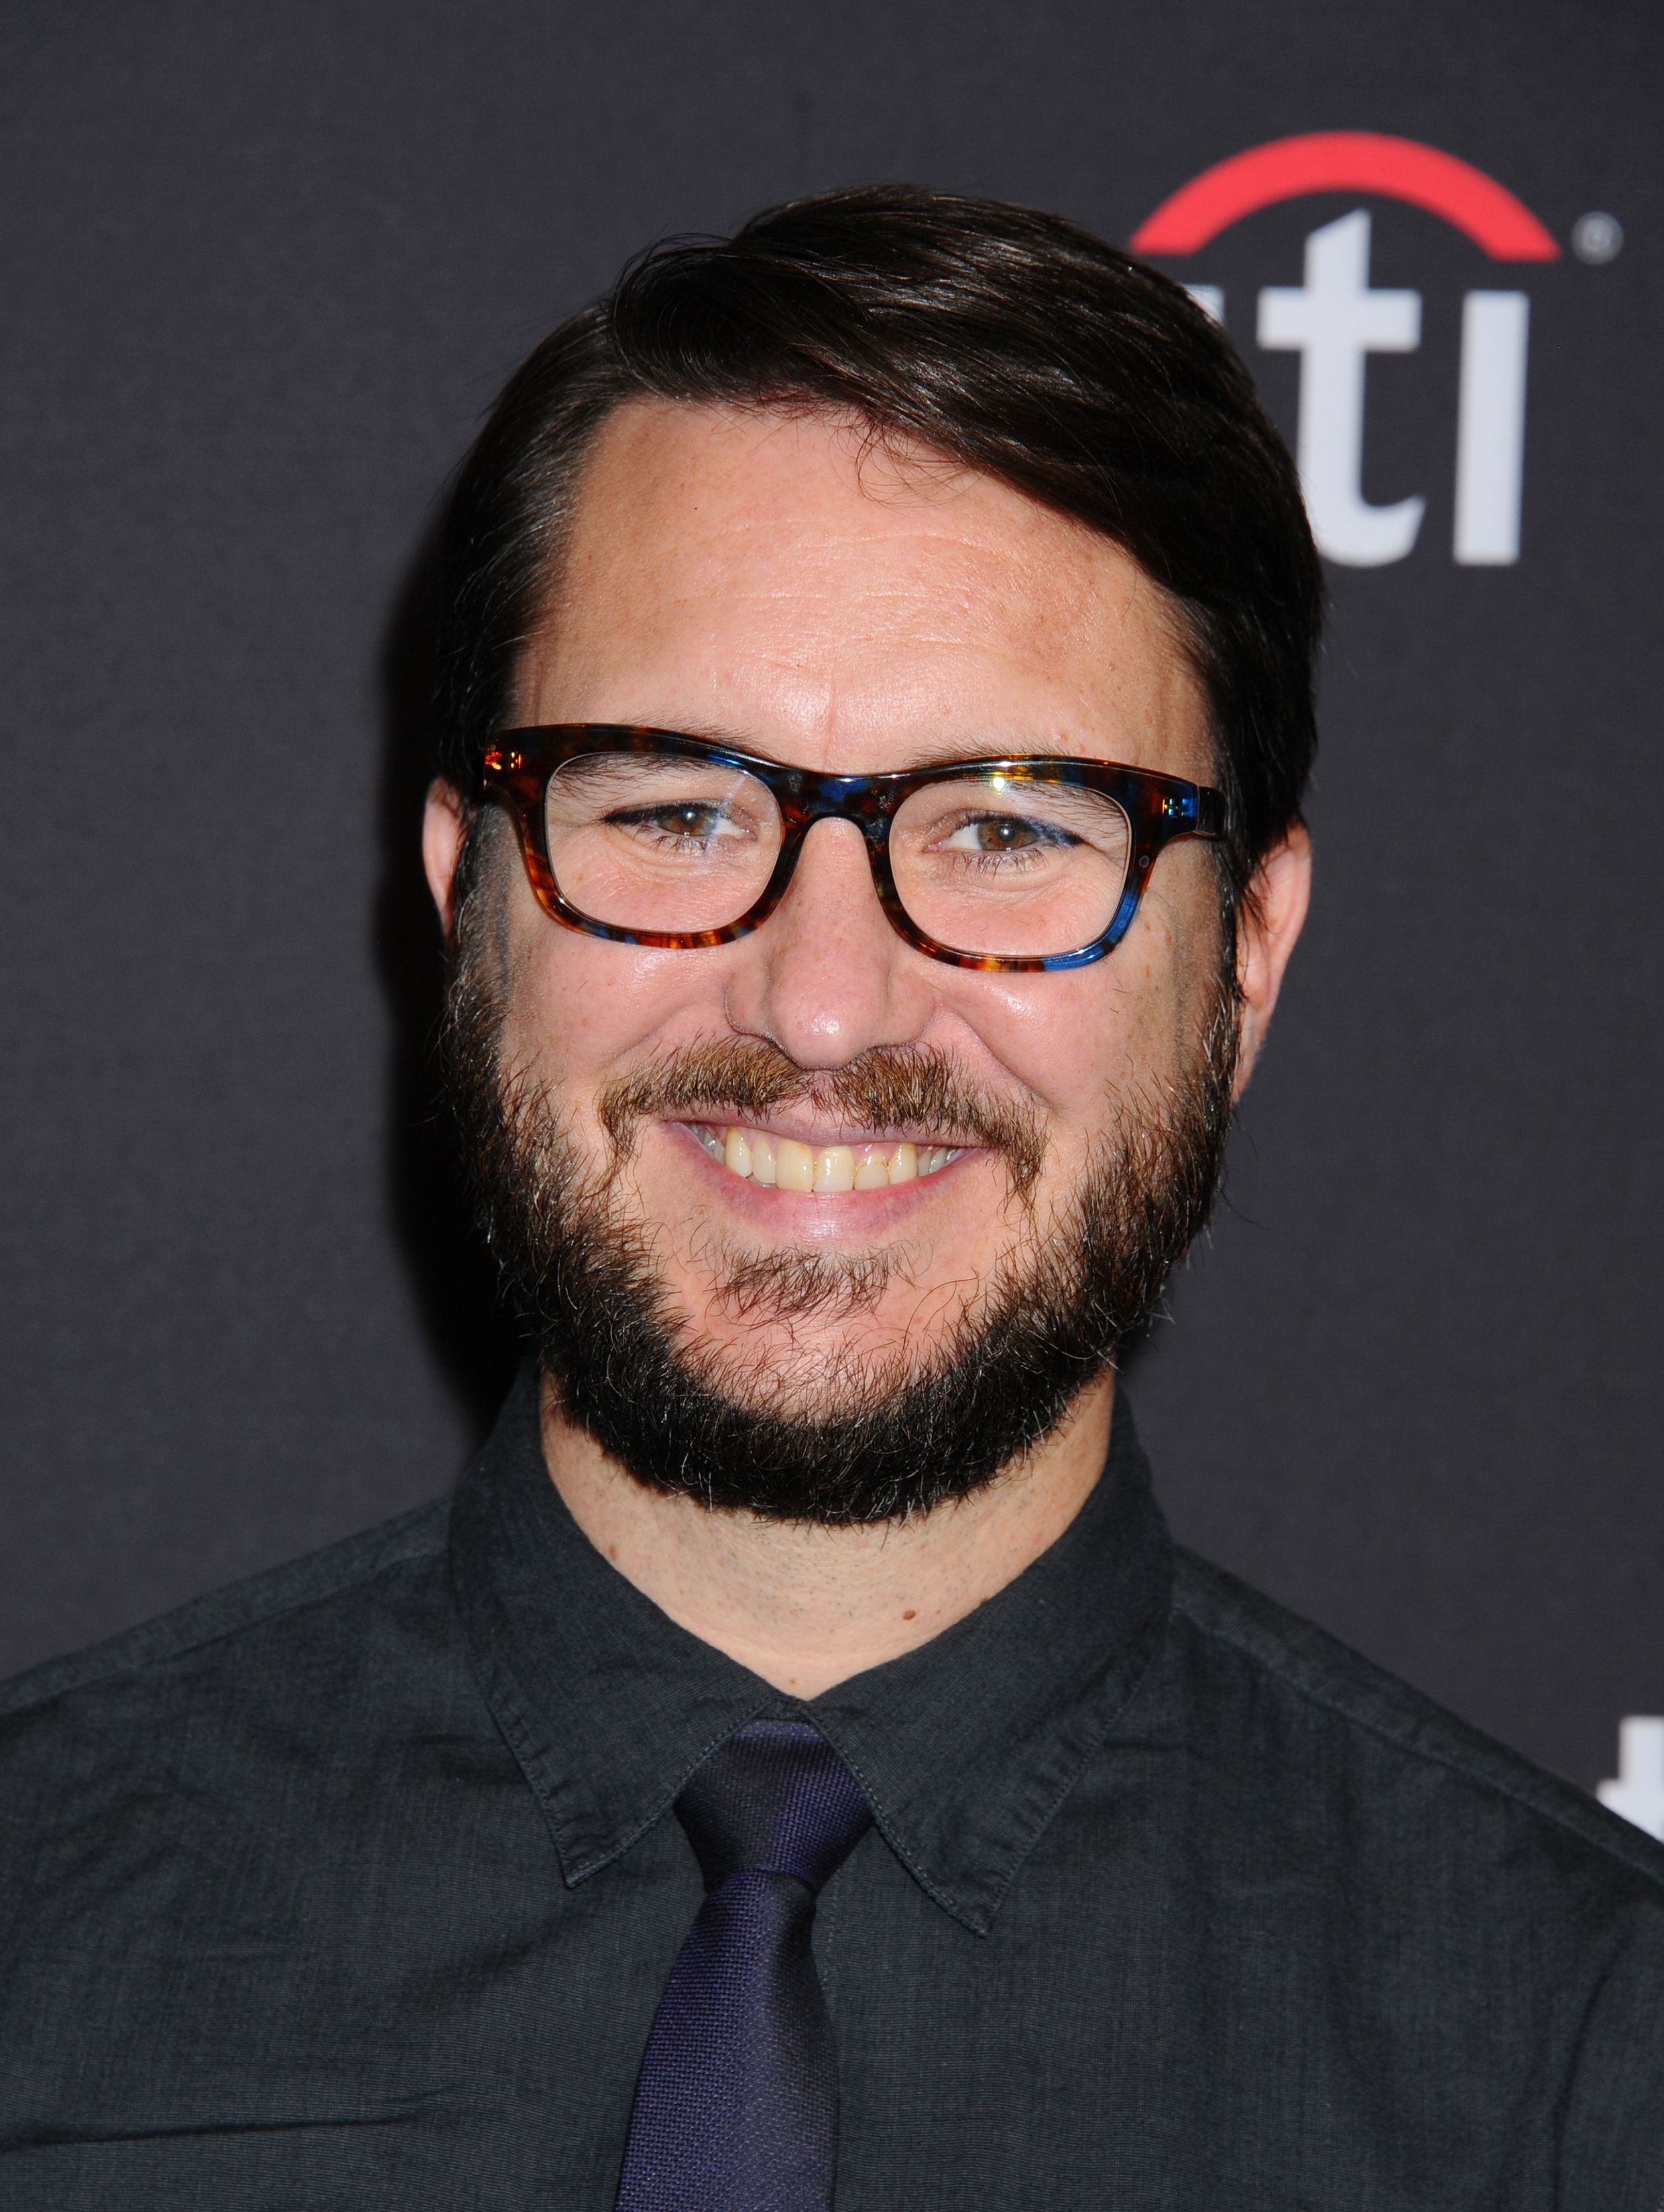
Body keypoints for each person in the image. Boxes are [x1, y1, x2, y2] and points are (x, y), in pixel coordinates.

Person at [1, 186, 1659, 2209]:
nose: (817, 996)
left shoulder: (1586, 2057)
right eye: (678, 807)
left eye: (1002, 827)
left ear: (1245, 960)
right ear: (463, 897)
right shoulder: (38, 1940)